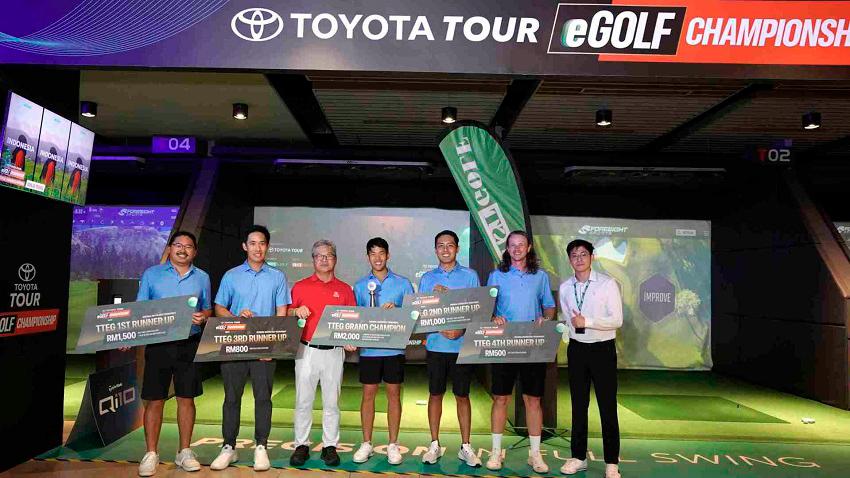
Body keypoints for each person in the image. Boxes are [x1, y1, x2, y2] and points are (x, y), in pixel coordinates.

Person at [210, 225, 290, 472]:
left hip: (264, 348)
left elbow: (282, 313)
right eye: (253, 243)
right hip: (234, 345)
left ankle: (261, 447)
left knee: (263, 398)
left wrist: (274, 347)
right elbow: (219, 309)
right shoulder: (231, 275)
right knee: (231, 398)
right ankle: (228, 447)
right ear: (245, 246)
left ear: (267, 246)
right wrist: (235, 316)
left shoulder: (277, 276)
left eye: (262, 243)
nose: (258, 248)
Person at [135, 231, 212, 477]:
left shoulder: (203, 277)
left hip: (189, 344)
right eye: (178, 245)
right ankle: (151, 454)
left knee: (186, 398)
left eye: (188, 246)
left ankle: (185, 451)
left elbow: (207, 309)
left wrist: (203, 317)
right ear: (170, 248)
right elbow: (139, 309)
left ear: (195, 252)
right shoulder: (151, 274)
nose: (183, 250)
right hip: (159, 345)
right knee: (155, 399)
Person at [485, 230, 556, 474]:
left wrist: (544, 319)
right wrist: (494, 317)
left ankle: (535, 454)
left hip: (532, 345)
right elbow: (486, 309)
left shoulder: (541, 277)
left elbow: (549, 308)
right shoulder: (496, 275)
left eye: (521, 245)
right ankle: (495, 452)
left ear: (528, 249)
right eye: (512, 245)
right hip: (504, 346)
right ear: (507, 249)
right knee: (500, 399)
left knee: (533, 400)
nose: (516, 249)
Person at [289, 239, 357, 467]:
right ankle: (301, 444)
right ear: (313, 260)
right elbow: (286, 313)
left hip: (334, 352)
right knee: (303, 401)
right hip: (306, 349)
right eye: (319, 255)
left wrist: (350, 339)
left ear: (335, 259)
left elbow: (353, 322)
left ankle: (330, 446)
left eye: (328, 255)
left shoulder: (345, 289)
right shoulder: (300, 286)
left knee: (331, 402)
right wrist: (295, 310)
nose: (324, 259)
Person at [558, 239, 623, 478]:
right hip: (577, 351)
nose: (579, 259)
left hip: (603, 350)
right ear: (569, 260)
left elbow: (617, 320)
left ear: (592, 257)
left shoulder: (607, 284)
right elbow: (568, 320)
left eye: (583, 254)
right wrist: (566, 331)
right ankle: (578, 457)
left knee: (607, 406)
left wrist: (589, 322)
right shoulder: (566, 287)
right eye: (574, 255)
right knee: (578, 406)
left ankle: (612, 463)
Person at [419, 230, 482, 468]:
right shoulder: (427, 278)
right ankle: (434, 443)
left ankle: (465, 446)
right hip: (436, 346)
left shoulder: (470, 275)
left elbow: (477, 310)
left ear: (457, 248)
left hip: (461, 347)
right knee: (435, 394)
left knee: (462, 396)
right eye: (440, 246)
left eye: (450, 245)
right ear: (436, 250)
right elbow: (421, 314)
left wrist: (461, 331)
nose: (445, 249)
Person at [351, 237, 414, 466]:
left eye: (381, 253)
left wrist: (396, 310)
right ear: (368, 256)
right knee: (368, 396)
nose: (377, 258)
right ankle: (366, 443)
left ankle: (393, 444)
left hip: (394, 350)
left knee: (393, 396)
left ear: (388, 255)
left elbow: (412, 317)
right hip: (369, 352)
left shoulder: (403, 283)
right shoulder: (359, 286)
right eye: (372, 253)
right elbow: (355, 318)